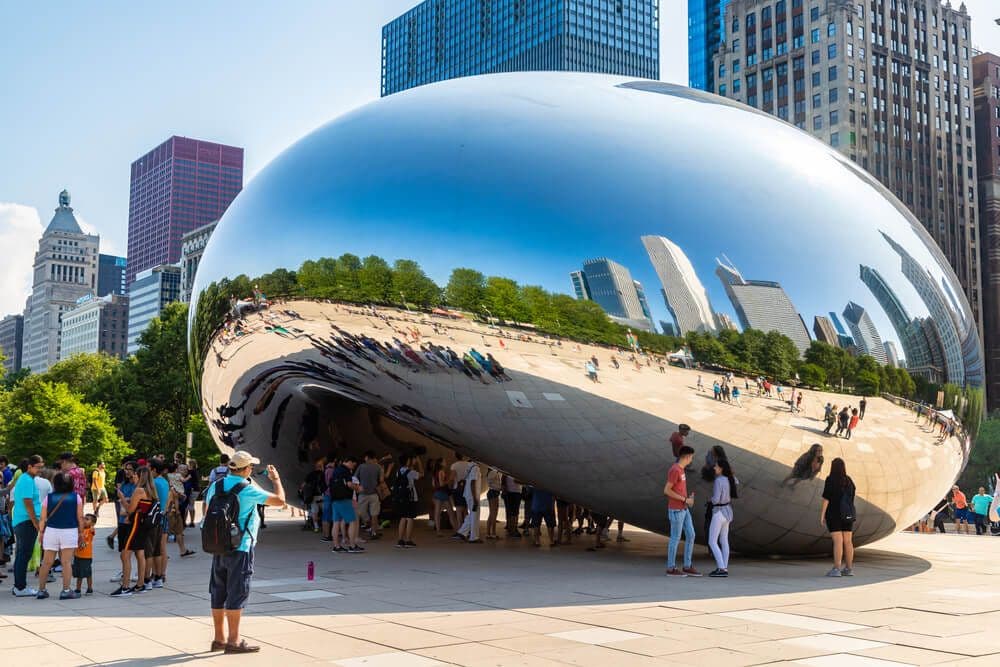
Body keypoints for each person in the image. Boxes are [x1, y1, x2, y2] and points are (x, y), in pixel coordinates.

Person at [202, 450, 286, 654]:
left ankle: (219, 639)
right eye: (251, 466)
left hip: (218, 545)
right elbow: (280, 501)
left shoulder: (216, 485)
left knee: (218, 591)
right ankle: (234, 640)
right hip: (240, 546)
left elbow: (206, 510)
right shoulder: (247, 489)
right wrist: (276, 481)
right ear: (246, 468)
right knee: (237, 592)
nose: (252, 469)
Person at [36, 472, 85, 600]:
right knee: (66, 562)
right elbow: (80, 517)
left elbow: (43, 518)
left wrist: (41, 532)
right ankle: (66, 590)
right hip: (69, 531)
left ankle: (41, 590)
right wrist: (81, 533)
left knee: (46, 562)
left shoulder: (49, 497)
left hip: (51, 531)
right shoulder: (76, 498)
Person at [111, 466, 156, 597]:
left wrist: (122, 498)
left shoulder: (139, 490)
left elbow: (130, 510)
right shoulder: (150, 490)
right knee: (140, 554)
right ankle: (141, 584)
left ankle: (125, 587)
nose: (133, 477)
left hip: (135, 525)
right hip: (143, 526)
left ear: (140, 476)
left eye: (135, 474)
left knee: (125, 555)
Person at [11, 455, 44, 597]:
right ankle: (20, 587)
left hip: (23, 521)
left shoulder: (27, 479)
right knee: (24, 554)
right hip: (26, 521)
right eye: (38, 467)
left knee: (22, 554)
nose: (40, 470)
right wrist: (35, 522)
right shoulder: (26, 480)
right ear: (30, 466)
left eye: (42, 467)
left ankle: (19, 585)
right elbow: (28, 502)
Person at [664, 446, 700, 577]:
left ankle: (687, 565)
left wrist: (688, 499)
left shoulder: (681, 469)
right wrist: (685, 499)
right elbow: (667, 490)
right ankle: (671, 568)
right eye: (692, 457)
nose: (692, 459)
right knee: (675, 538)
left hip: (684, 509)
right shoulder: (675, 470)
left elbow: (678, 489)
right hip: (677, 510)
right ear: (687, 456)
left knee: (691, 535)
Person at [820, 457, 856, 577]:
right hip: (847, 514)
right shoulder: (849, 480)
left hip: (834, 514)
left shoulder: (830, 479)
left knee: (838, 541)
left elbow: (826, 499)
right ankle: (849, 569)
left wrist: (822, 515)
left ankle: (836, 569)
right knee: (848, 541)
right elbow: (852, 497)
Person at [707, 458, 737, 577]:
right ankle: (724, 567)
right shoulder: (732, 479)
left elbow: (716, 499)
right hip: (728, 511)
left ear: (721, 468)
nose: (714, 468)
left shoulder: (719, 481)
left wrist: (709, 500)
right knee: (724, 540)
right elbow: (736, 480)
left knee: (712, 541)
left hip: (719, 512)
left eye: (716, 466)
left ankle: (721, 568)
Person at [394, 454, 423, 548]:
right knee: (410, 518)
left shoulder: (398, 471)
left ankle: (400, 540)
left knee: (403, 517)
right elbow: (421, 474)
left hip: (401, 497)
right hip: (411, 497)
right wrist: (419, 463)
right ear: (407, 461)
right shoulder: (411, 472)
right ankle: (408, 540)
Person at [355, 452, 383, 541]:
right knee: (374, 514)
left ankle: (368, 525)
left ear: (366, 457)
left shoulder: (361, 466)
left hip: (362, 494)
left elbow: (355, 478)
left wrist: (358, 487)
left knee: (361, 513)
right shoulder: (378, 467)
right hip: (374, 493)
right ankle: (374, 532)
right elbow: (381, 480)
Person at [456, 460, 483, 543]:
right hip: (472, 495)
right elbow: (472, 482)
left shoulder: (469, 467)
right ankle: (474, 537)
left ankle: (462, 532)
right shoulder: (475, 468)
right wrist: (475, 498)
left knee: (472, 514)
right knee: (475, 515)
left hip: (468, 494)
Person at [431, 460, 456, 537]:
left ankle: (438, 531)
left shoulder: (434, 472)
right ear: (441, 463)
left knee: (437, 513)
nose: (445, 462)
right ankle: (457, 530)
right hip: (443, 493)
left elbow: (433, 484)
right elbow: (442, 484)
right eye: (444, 461)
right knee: (451, 513)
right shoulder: (441, 472)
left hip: (437, 493)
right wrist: (450, 479)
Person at [74, 513, 96, 596]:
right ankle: (78, 589)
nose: (84, 520)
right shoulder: (79, 530)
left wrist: (91, 526)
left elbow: (92, 529)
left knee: (87, 574)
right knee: (79, 574)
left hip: (86, 556)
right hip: (78, 555)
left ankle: (89, 588)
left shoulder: (90, 530)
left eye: (87, 519)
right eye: (84, 519)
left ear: (92, 523)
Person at [450, 454, 472, 533]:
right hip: (467, 489)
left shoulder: (454, 466)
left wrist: (451, 488)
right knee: (466, 511)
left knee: (459, 511)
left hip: (458, 489)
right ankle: (467, 530)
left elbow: (452, 478)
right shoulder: (469, 465)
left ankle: (460, 531)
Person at [485, 467, 503, 539]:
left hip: (493, 492)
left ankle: (488, 533)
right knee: (494, 513)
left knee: (491, 513)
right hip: (494, 492)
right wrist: (499, 487)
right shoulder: (493, 472)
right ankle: (493, 533)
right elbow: (490, 483)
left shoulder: (493, 472)